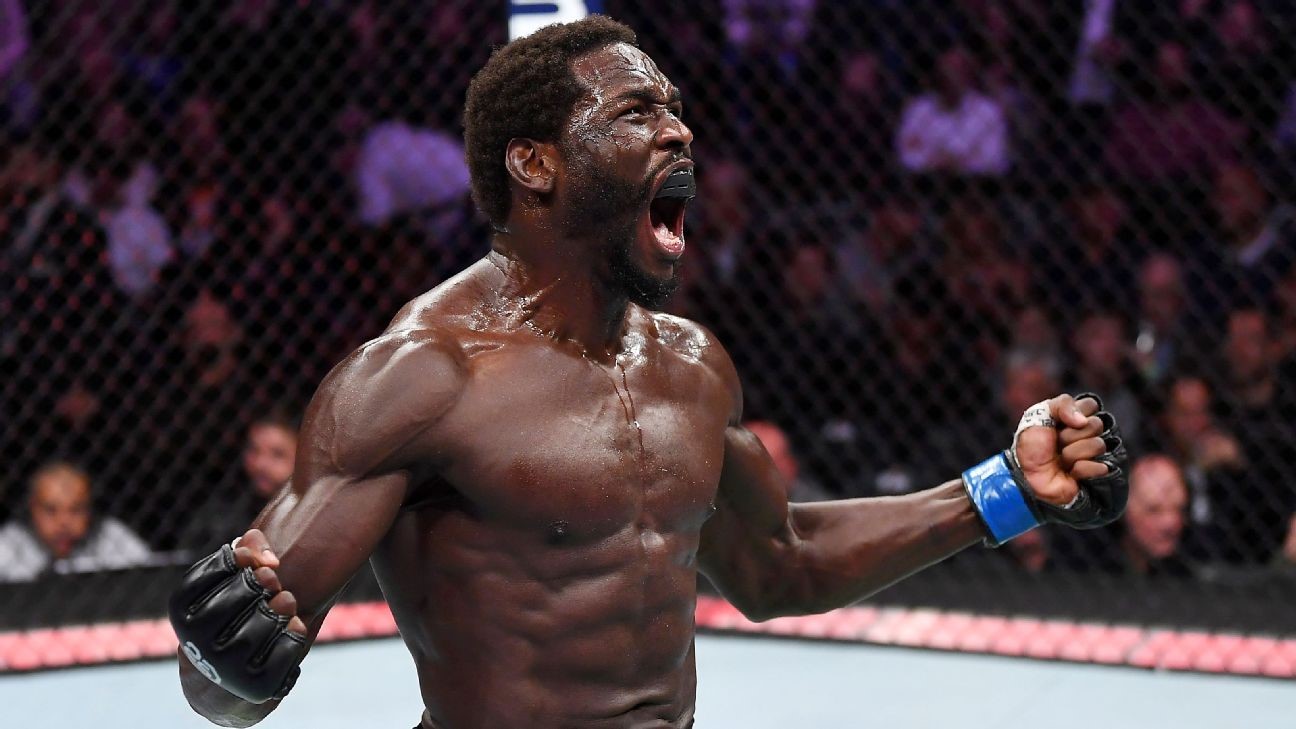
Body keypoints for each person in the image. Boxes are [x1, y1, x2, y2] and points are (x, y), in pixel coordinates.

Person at [169, 17, 1127, 729]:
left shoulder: (691, 365)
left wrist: (1008, 490)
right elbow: (227, 680)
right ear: (534, 164)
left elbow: (780, 559)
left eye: (674, 108)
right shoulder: (423, 377)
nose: (679, 132)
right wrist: (222, 663)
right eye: (637, 112)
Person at [0, 461, 151, 581]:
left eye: (76, 510)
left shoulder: (110, 536)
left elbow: (149, 574)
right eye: (50, 510)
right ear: (32, 509)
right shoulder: (8, 544)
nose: (64, 522)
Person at [179, 409, 300, 554]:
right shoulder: (221, 514)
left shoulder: (313, 511)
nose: (260, 464)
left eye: (277, 454)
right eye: (254, 450)